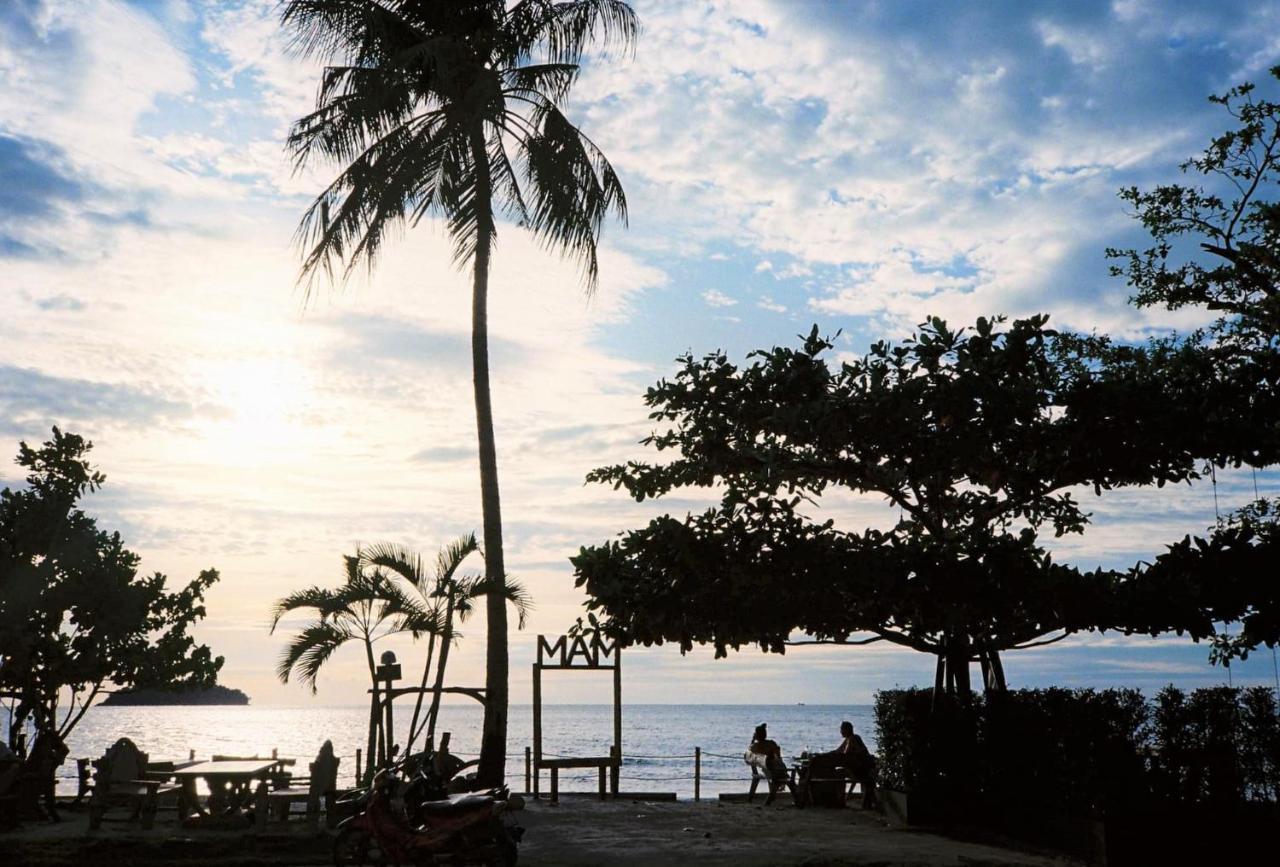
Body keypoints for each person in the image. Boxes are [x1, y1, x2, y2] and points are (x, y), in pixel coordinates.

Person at [802, 721, 877, 809]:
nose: (840, 732)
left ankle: (836, 800)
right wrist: (822, 755)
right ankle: (837, 800)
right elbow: (837, 751)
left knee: (837, 773)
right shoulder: (848, 739)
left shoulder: (854, 739)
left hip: (860, 770)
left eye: (841, 729)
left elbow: (847, 755)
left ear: (847, 730)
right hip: (854, 769)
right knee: (836, 772)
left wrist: (825, 756)